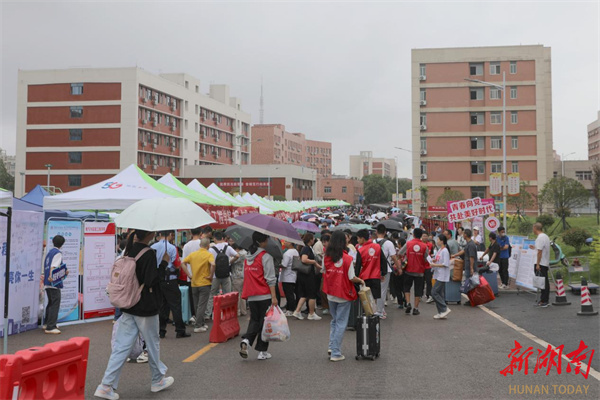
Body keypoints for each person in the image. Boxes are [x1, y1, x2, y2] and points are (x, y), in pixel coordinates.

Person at [95, 230, 174, 400]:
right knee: (152, 345)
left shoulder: (128, 251)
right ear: (150, 234)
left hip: (128, 305)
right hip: (145, 307)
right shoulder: (148, 253)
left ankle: (106, 386)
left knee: (121, 347)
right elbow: (152, 280)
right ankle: (157, 380)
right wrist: (163, 263)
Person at [322, 231, 365, 362]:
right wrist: (361, 281)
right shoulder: (348, 259)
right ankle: (335, 352)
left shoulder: (326, 257)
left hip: (330, 293)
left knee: (335, 320)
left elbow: (323, 271)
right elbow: (352, 277)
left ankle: (331, 346)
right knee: (341, 322)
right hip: (344, 293)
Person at [240, 232, 278, 360]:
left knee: (254, 320)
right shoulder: (266, 256)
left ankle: (247, 340)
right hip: (264, 295)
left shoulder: (247, 257)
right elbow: (270, 278)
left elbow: (245, 276)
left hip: (251, 295)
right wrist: (274, 297)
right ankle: (262, 351)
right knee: (265, 323)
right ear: (262, 241)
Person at [151, 231, 190, 339]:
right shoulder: (172, 248)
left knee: (161, 306)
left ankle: (161, 331)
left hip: (158, 280)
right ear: (169, 235)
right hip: (170, 280)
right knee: (175, 305)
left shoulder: (152, 247)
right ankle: (180, 330)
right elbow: (177, 265)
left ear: (160, 235)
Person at [182, 238, 215, 333]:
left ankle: (201, 323)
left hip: (194, 282)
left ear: (200, 245)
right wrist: (211, 275)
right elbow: (213, 264)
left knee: (197, 305)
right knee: (202, 305)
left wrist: (189, 275)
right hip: (205, 282)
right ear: (208, 246)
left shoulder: (193, 254)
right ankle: (198, 325)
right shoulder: (209, 254)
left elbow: (182, 263)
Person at [205, 231, 239, 320]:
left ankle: (208, 314)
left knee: (212, 294)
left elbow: (209, 262)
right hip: (226, 274)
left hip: (215, 275)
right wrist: (229, 262)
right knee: (227, 294)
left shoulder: (211, 249)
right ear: (222, 238)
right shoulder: (228, 247)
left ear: (214, 239)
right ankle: (228, 313)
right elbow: (237, 255)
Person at [42, 235, 69, 334]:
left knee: (50, 303)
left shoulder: (50, 252)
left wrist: (64, 271)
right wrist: (51, 276)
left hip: (47, 282)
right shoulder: (58, 253)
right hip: (53, 283)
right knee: (55, 303)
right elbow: (53, 266)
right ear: (62, 244)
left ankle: (47, 323)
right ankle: (51, 327)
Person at [293, 233, 322, 320]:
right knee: (311, 294)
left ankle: (297, 311)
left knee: (304, 294)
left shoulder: (305, 248)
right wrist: (314, 262)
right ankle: (311, 313)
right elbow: (304, 259)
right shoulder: (306, 248)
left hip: (303, 274)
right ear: (310, 240)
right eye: (313, 239)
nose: (314, 240)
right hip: (308, 275)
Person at [399, 228, 428, 315]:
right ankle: (416, 308)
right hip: (420, 271)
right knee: (418, 290)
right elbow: (426, 258)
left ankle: (408, 303)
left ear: (414, 235)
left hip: (409, 270)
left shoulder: (408, 243)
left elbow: (400, 253)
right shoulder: (424, 246)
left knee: (407, 287)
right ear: (421, 236)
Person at [373, 224, 400, 319]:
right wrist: (399, 267)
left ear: (376, 232)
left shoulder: (373, 242)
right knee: (383, 290)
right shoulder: (389, 243)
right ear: (385, 232)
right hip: (386, 269)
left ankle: (379, 309)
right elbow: (393, 257)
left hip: (374, 269)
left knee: (376, 290)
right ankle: (379, 311)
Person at [355, 229, 384, 307]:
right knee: (374, 298)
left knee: (365, 298)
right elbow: (383, 260)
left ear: (362, 238)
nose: (357, 240)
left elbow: (357, 267)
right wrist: (383, 273)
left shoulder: (360, 250)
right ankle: (373, 312)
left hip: (365, 278)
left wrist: (356, 278)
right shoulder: (377, 247)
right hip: (376, 276)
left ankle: (366, 312)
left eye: (358, 238)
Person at [181, 227, 203, 324]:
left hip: (191, 276)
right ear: (201, 233)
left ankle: (194, 316)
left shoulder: (186, 246)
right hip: (202, 276)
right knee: (202, 299)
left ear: (190, 232)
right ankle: (200, 319)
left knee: (193, 298)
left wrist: (188, 274)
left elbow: (183, 263)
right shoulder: (202, 244)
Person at [429, 234, 451, 319]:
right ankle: (441, 312)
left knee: (434, 292)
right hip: (438, 274)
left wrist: (434, 265)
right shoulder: (440, 250)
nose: (437, 241)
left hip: (442, 275)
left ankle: (444, 308)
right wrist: (434, 260)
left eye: (438, 240)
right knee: (439, 293)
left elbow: (446, 264)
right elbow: (439, 260)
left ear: (442, 241)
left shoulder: (445, 251)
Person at [531, 223, 551, 307]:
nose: (533, 230)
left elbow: (540, 252)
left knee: (543, 282)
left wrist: (538, 264)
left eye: (533, 228)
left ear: (535, 228)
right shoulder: (545, 236)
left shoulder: (540, 238)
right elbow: (540, 249)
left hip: (541, 263)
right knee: (544, 282)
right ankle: (543, 299)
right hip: (544, 262)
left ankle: (544, 300)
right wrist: (534, 248)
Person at [280, 241, 298, 316]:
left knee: (288, 294)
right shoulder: (296, 251)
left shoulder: (287, 253)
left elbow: (284, 264)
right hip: (293, 275)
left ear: (290, 243)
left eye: (286, 242)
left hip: (287, 276)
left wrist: (278, 264)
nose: (285, 243)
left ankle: (290, 309)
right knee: (291, 293)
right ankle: (290, 308)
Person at [230, 243, 248, 316]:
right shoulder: (245, 253)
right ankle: (243, 310)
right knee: (242, 294)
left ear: (236, 248)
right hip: (244, 275)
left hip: (237, 276)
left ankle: (237, 311)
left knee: (236, 294)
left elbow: (231, 261)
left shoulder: (239, 255)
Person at [422, 232, 434, 304]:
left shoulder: (430, 245)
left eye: (426, 236)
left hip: (428, 266)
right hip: (421, 266)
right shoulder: (419, 245)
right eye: (423, 236)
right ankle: (420, 294)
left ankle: (429, 295)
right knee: (421, 281)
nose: (425, 237)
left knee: (428, 281)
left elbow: (432, 254)